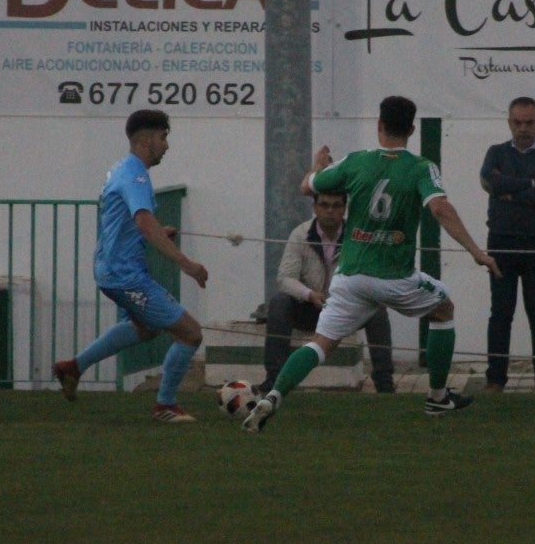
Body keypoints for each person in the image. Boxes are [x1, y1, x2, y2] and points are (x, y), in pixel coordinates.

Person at [243, 96, 501, 433]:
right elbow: (440, 208)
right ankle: (437, 396)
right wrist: (475, 251)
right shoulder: (422, 167)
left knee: (320, 344)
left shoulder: (355, 162)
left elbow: (307, 185)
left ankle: (275, 394)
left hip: (350, 278)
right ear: (410, 129)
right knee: (443, 308)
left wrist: (318, 166)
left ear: (379, 125)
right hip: (395, 277)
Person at [51, 109, 209, 423]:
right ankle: (164, 405)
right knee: (190, 333)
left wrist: (159, 232)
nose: (166, 146)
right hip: (124, 275)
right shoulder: (135, 174)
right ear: (147, 138)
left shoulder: (121, 170)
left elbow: (128, 224)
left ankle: (73, 367)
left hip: (111, 270)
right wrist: (187, 265)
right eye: (164, 138)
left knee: (147, 327)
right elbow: (144, 223)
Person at [262, 190, 396, 394]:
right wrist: (309, 294)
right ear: (314, 207)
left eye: (336, 205)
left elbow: (371, 273)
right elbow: (284, 278)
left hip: (346, 308)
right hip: (309, 307)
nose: (330, 211)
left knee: (377, 310)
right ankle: (273, 380)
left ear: (344, 209)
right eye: (324, 205)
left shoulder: (358, 236)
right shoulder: (300, 234)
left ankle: (384, 383)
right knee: (279, 303)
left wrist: (349, 297)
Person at [479, 96, 535, 394]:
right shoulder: (496, 152)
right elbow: (489, 182)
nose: (523, 128)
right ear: (509, 123)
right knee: (501, 312)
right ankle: (495, 380)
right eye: (518, 122)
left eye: (529, 122)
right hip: (501, 243)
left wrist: (510, 189)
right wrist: (530, 184)